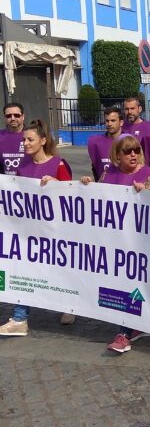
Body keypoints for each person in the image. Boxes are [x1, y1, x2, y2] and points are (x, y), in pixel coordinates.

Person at [81, 134, 150, 353]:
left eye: (136, 150)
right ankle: (130, 327)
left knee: (133, 285)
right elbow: (97, 200)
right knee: (120, 285)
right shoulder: (109, 174)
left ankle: (125, 332)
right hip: (115, 242)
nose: (133, 154)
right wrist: (87, 186)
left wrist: (145, 194)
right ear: (117, 155)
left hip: (139, 243)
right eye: (127, 151)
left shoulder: (148, 175)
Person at [0, 120, 74, 336]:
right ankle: (20, 317)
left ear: (42, 141)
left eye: (30, 139)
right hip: (28, 232)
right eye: (24, 140)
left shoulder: (59, 164)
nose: (25, 143)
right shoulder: (23, 167)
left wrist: (56, 185)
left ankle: (68, 304)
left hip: (54, 231)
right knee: (23, 268)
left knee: (58, 269)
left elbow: (72, 198)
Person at [87, 107, 123, 181]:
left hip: (124, 186)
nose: (109, 124)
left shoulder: (129, 141)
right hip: (103, 186)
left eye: (113, 121)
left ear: (121, 122)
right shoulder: (95, 142)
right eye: (107, 121)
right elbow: (95, 169)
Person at [0, 102, 26, 175]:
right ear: (5, 118)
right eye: (8, 116)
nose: (13, 118)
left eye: (16, 115)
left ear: (23, 116)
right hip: (4, 181)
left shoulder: (33, 135)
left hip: (28, 180)